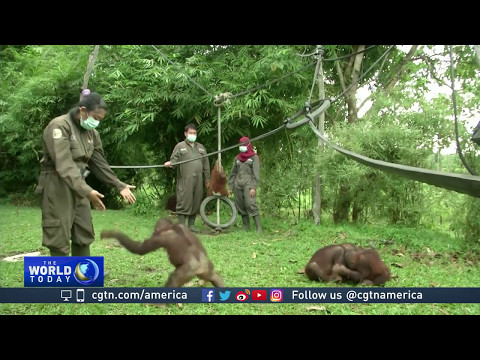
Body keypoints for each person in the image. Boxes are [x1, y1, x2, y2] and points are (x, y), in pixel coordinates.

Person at [35, 89, 136, 257]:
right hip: (57, 183)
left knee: (83, 232)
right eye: (95, 118)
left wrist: (118, 184)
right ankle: (64, 278)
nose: (96, 122)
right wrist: (87, 191)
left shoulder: (92, 133)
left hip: (79, 183)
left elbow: (99, 163)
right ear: (83, 110)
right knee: (58, 235)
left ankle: (84, 273)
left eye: (99, 120)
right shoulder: (59, 126)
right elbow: (64, 164)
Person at [164, 124, 210, 231]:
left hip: (198, 179)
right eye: (190, 133)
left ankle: (191, 226)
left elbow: (206, 165)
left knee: (196, 200)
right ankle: (181, 226)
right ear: (185, 134)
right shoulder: (180, 146)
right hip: (185, 179)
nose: (193, 135)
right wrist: (170, 163)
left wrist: (207, 179)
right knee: (184, 201)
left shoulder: (201, 148)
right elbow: (174, 160)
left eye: (194, 133)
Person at [228, 137, 262, 233]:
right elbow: (233, 173)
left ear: (248, 145)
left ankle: (258, 228)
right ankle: (246, 227)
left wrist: (253, 187)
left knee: (250, 203)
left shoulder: (254, 157)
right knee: (240, 205)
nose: (242, 147)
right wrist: (230, 187)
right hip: (238, 183)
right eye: (240, 145)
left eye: (244, 145)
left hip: (249, 183)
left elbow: (256, 174)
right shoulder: (237, 158)